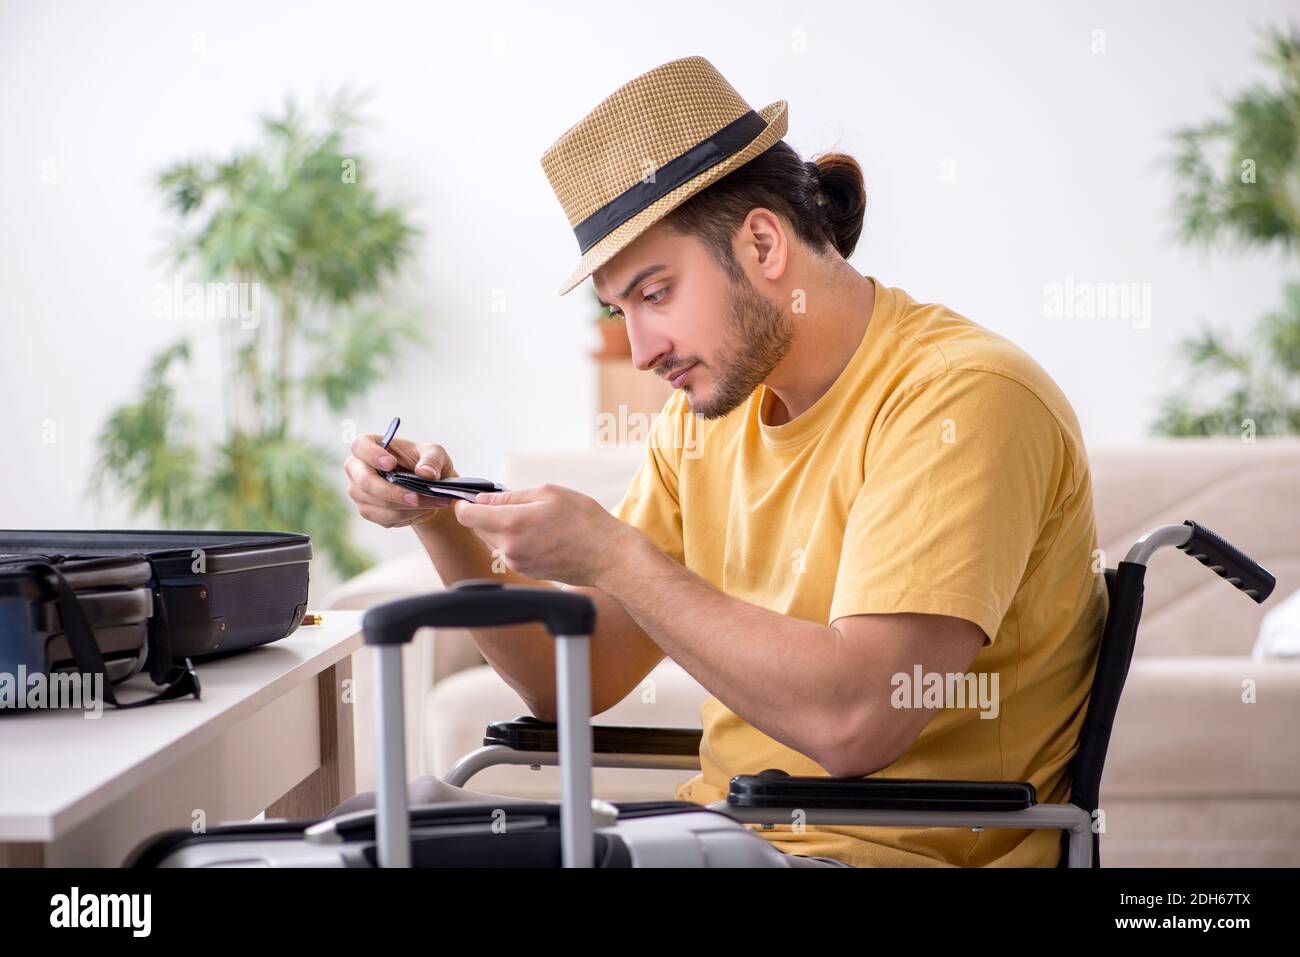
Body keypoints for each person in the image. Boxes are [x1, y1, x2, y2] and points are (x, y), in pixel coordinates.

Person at [339, 56, 1108, 867]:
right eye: (620, 308)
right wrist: (443, 523)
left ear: (764, 242)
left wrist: (615, 554)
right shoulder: (707, 418)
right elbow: (580, 679)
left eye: (656, 293)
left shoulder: (961, 398)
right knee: (374, 835)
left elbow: (858, 721)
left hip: (873, 857)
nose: (639, 350)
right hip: (721, 841)